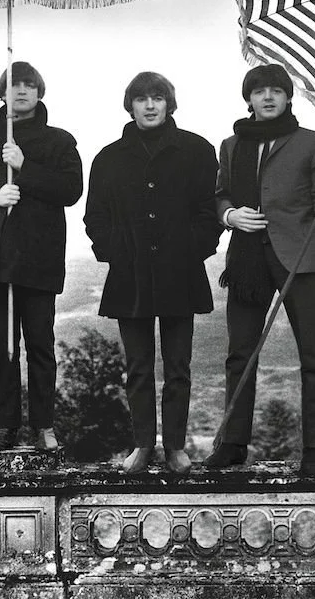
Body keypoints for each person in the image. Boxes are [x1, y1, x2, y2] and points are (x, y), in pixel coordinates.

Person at [207, 64, 315, 476]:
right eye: (259, 91)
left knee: (314, 356)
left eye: (276, 91)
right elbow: (221, 195)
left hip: (300, 260)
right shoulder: (231, 145)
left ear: (288, 97)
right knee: (239, 354)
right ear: (248, 98)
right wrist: (231, 216)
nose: (267, 97)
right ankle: (233, 445)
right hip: (247, 260)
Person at [84, 72, 223, 474]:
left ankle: (176, 447)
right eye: (141, 98)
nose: (149, 105)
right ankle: (143, 446)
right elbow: (95, 218)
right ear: (130, 105)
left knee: (179, 366)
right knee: (139, 368)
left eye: (157, 97)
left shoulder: (197, 150)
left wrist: (192, 248)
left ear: (169, 103)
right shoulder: (108, 158)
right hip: (130, 277)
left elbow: (208, 212)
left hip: (181, 273)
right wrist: (116, 252)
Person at [0, 61, 83, 452]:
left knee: (40, 346)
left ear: (40, 92)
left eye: (29, 84)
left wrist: (25, 167)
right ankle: (4, 426)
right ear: (3, 94)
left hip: (39, 262)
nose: (22, 90)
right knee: (2, 349)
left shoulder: (59, 141)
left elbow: (71, 190)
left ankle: (44, 426)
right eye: (14, 85)